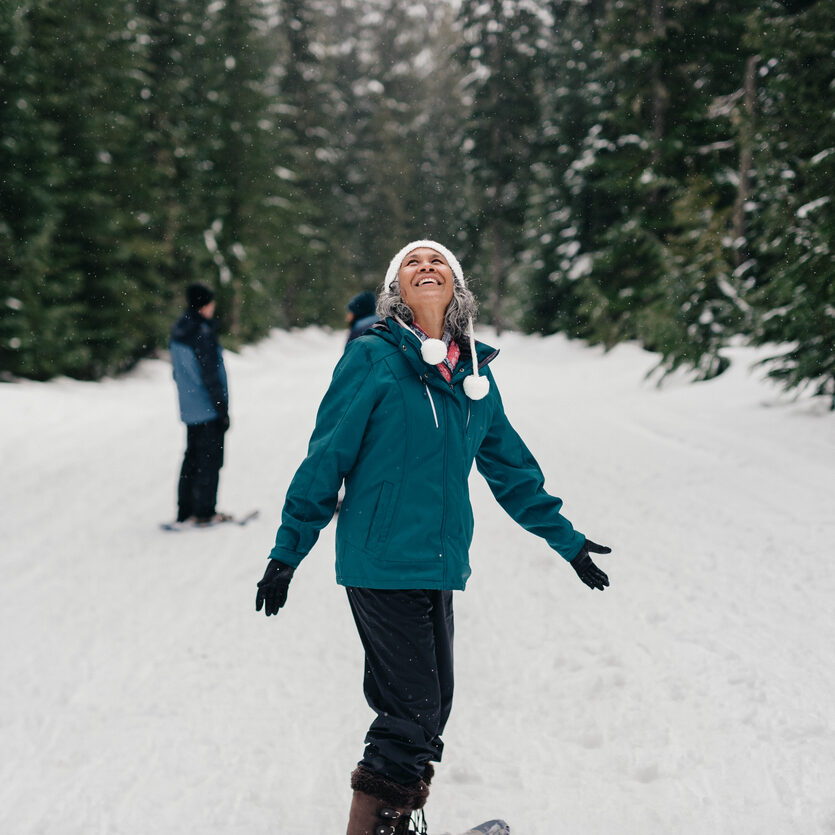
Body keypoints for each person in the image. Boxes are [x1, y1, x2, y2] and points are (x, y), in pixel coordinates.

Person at [255, 240, 613, 835]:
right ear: (397, 288)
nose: (427, 267)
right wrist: (287, 551)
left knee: (432, 702)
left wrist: (567, 542)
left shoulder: (473, 374)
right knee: (412, 707)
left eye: (438, 262)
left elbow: (512, 471)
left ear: (457, 287)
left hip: (439, 561)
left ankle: (393, 824)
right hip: (380, 558)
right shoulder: (371, 358)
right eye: (413, 263)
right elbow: (326, 458)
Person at [169, 282, 230, 526]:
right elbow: (211, 376)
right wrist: (222, 410)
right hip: (207, 407)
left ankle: (185, 510)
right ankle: (204, 511)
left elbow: (178, 371)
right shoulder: (201, 333)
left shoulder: (180, 330)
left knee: (192, 458)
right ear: (204, 304)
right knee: (210, 459)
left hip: (190, 407)